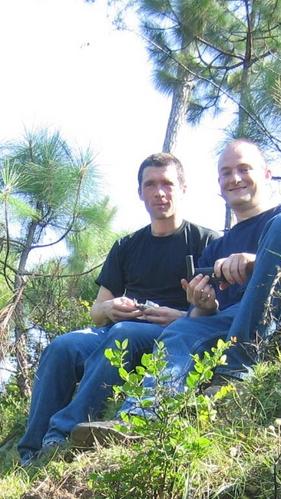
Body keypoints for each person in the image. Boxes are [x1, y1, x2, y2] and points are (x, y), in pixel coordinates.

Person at [75, 138, 281, 432]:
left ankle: (237, 367)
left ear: (266, 174)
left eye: (244, 168)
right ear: (219, 183)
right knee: (181, 329)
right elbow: (203, 319)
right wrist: (203, 304)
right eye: (226, 172)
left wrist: (259, 261)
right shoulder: (217, 248)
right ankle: (138, 419)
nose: (235, 178)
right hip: (233, 324)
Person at [17, 152, 219, 465]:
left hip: (173, 335)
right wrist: (112, 307)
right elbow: (96, 312)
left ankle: (62, 433)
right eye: (150, 185)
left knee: (124, 333)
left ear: (182, 188)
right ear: (140, 193)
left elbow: (216, 312)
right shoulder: (126, 245)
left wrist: (180, 317)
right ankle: (30, 451)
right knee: (63, 346)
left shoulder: (207, 241)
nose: (159, 192)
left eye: (167, 183)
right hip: (118, 328)